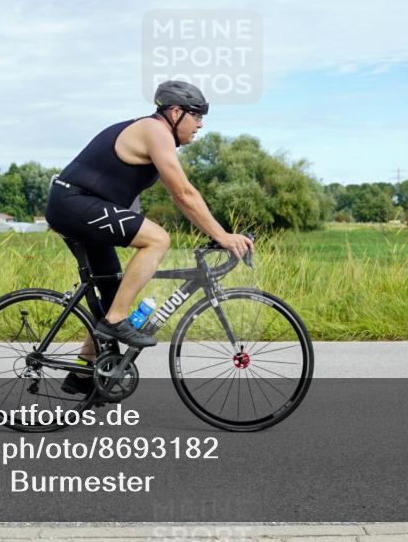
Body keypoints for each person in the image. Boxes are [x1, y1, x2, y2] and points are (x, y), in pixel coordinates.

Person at [43, 80, 254, 394]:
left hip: (79, 204)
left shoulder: (156, 135)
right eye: (196, 115)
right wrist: (222, 235)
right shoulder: (155, 131)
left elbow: (164, 195)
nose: (200, 123)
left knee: (116, 290)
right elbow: (183, 193)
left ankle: (83, 374)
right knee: (157, 239)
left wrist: (212, 231)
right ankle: (115, 319)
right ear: (175, 112)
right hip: (73, 203)